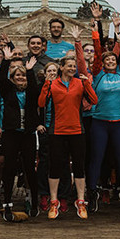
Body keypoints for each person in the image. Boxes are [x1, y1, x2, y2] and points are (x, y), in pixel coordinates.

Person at [39, 26, 97, 220]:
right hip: (57, 131)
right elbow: (41, 103)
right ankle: (54, 201)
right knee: (55, 167)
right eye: (69, 66)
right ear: (61, 67)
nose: (72, 69)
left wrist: (87, 83)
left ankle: (80, 201)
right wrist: (46, 84)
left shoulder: (80, 83)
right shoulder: (53, 84)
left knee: (79, 168)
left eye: (74, 66)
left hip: (77, 131)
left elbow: (94, 100)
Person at [87, 8, 120, 213]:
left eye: (113, 59)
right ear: (103, 63)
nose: (111, 61)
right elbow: (98, 51)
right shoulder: (98, 74)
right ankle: (92, 193)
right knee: (96, 159)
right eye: (108, 60)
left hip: (119, 123)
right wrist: (96, 27)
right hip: (99, 123)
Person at [0, 45, 41, 221]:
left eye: (23, 76)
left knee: (30, 169)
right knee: (9, 168)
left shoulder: (31, 91)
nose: (20, 78)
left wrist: (29, 71)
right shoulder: (8, 90)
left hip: (27, 134)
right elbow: (1, 79)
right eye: (17, 76)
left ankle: (34, 202)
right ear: (13, 78)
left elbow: (34, 89)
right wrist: (6, 61)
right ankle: (7, 203)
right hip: (11, 134)